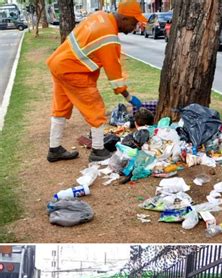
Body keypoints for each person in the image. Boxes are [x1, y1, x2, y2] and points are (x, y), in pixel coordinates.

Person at [46, 0, 147, 163]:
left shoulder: (99, 16)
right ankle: (98, 150)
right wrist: (129, 98)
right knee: (96, 109)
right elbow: (115, 77)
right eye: (134, 23)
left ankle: (54, 148)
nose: (134, 28)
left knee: (61, 108)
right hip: (74, 71)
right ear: (125, 18)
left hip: (59, 63)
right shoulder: (109, 37)